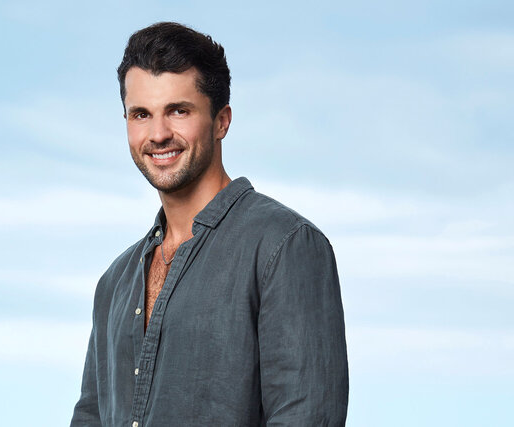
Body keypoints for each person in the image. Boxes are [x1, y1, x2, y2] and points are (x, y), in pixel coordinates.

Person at [70, 22, 348, 426]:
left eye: (178, 111)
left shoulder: (284, 246)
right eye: (141, 114)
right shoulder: (114, 283)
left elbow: (306, 416)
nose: (158, 134)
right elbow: (90, 416)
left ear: (221, 121)